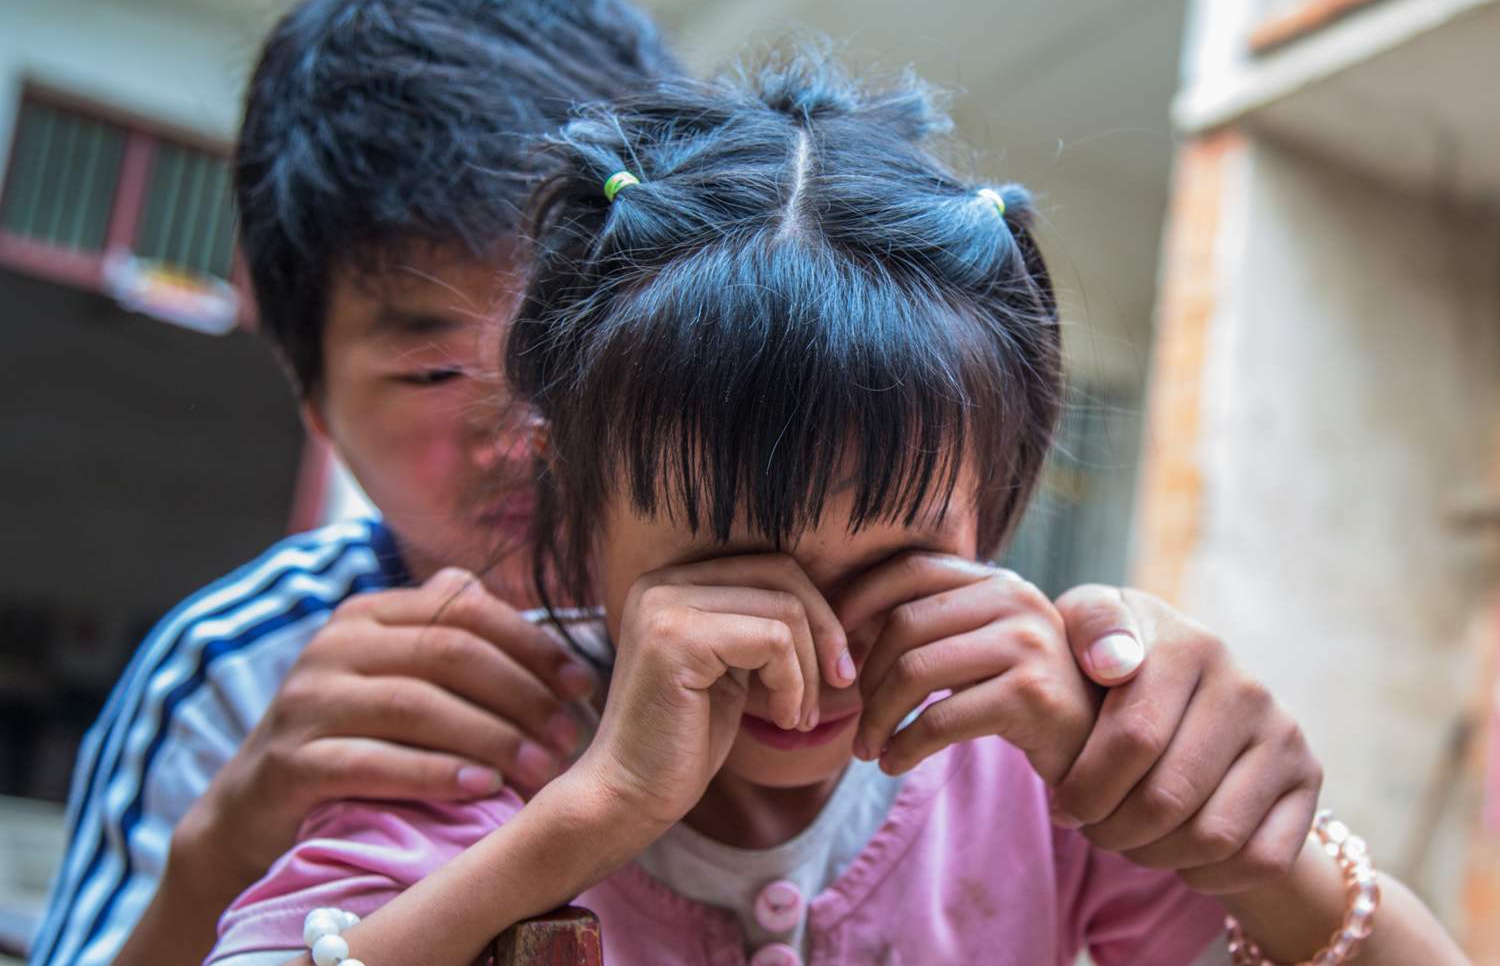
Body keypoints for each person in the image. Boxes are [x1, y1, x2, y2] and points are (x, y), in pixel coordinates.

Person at [205, 56, 1464, 966]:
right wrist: (592, 813)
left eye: (901, 563)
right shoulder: (482, 749)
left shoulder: (1039, 781)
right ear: (576, 509)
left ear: (993, 517)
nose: (810, 661)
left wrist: (1249, 847)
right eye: (726, 563)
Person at [27, 0, 680, 965]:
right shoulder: (233, 674)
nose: (523, 435)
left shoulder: (829, 632)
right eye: (430, 369)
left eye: (566, 342)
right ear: (313, 398)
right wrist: (226, 840)